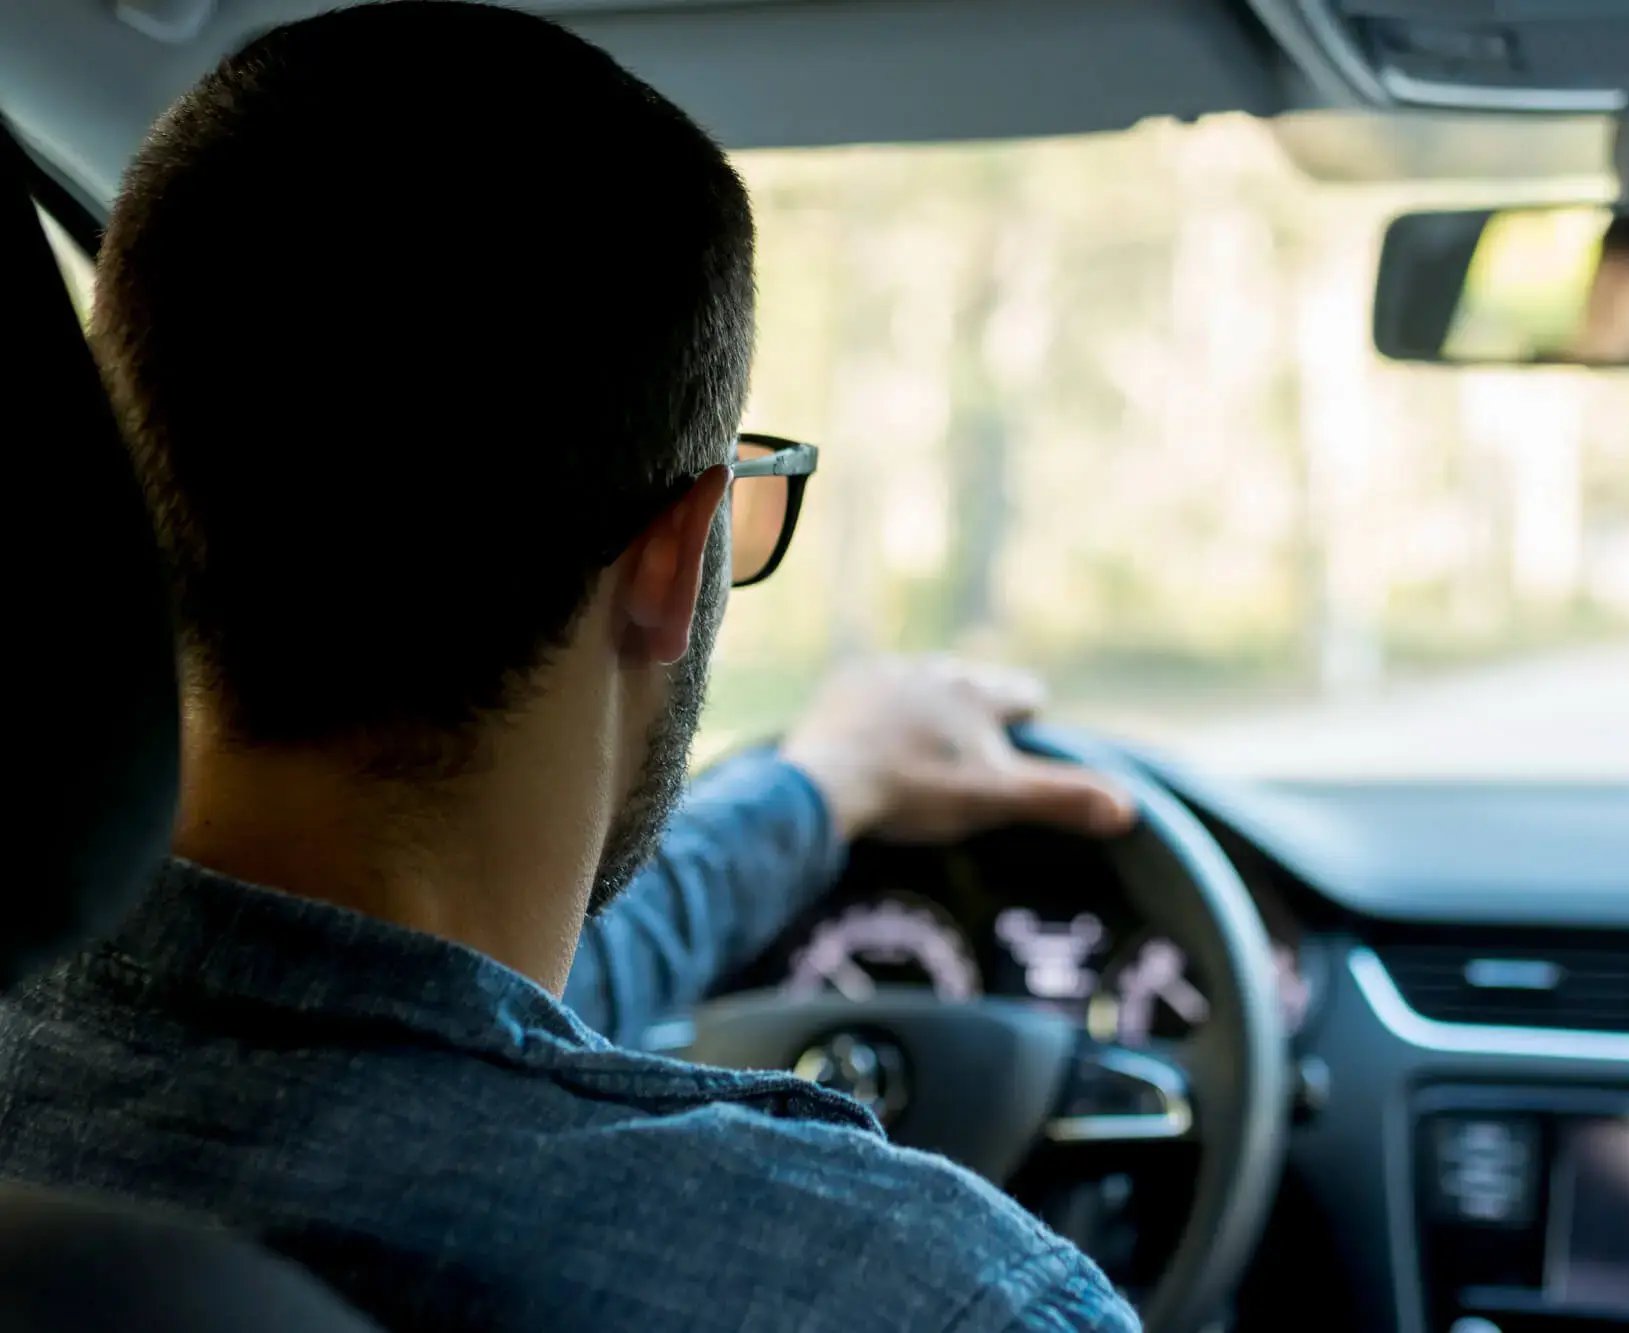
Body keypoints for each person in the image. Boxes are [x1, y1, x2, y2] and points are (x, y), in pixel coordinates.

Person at [0, 4, 1142, 1330]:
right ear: (677, 559)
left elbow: (405, 1004)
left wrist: (821, 788)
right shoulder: (936, 1298)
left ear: (126, 498)